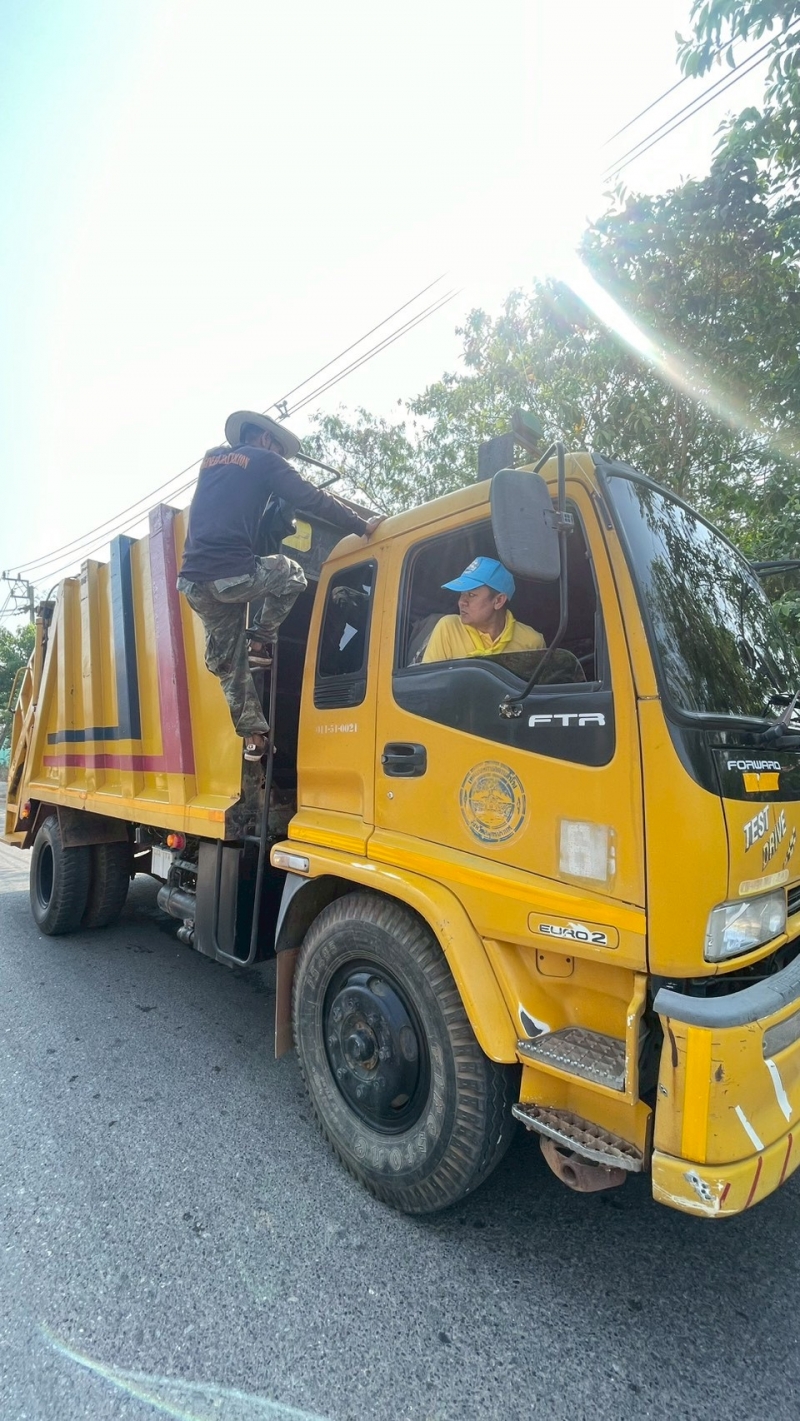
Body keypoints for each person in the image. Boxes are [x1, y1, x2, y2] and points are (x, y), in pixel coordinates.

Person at [178, 410, 382, 760]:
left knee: (228, 663)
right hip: (234, 574)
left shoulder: (211, 460)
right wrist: (361, 525)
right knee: (292, 575)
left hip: (194, 583)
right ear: (266, 439)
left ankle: (254, 738)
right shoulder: (264, 460)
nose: (280, 457)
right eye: (279, 450)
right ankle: (260, 640)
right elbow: (311, 498)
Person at [421, 557, 544, 663]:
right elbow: (430, 681)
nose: (461, 602)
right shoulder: (449, 628)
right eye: (462, 594)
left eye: (471, 595)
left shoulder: (531, 642)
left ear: (499, 601)